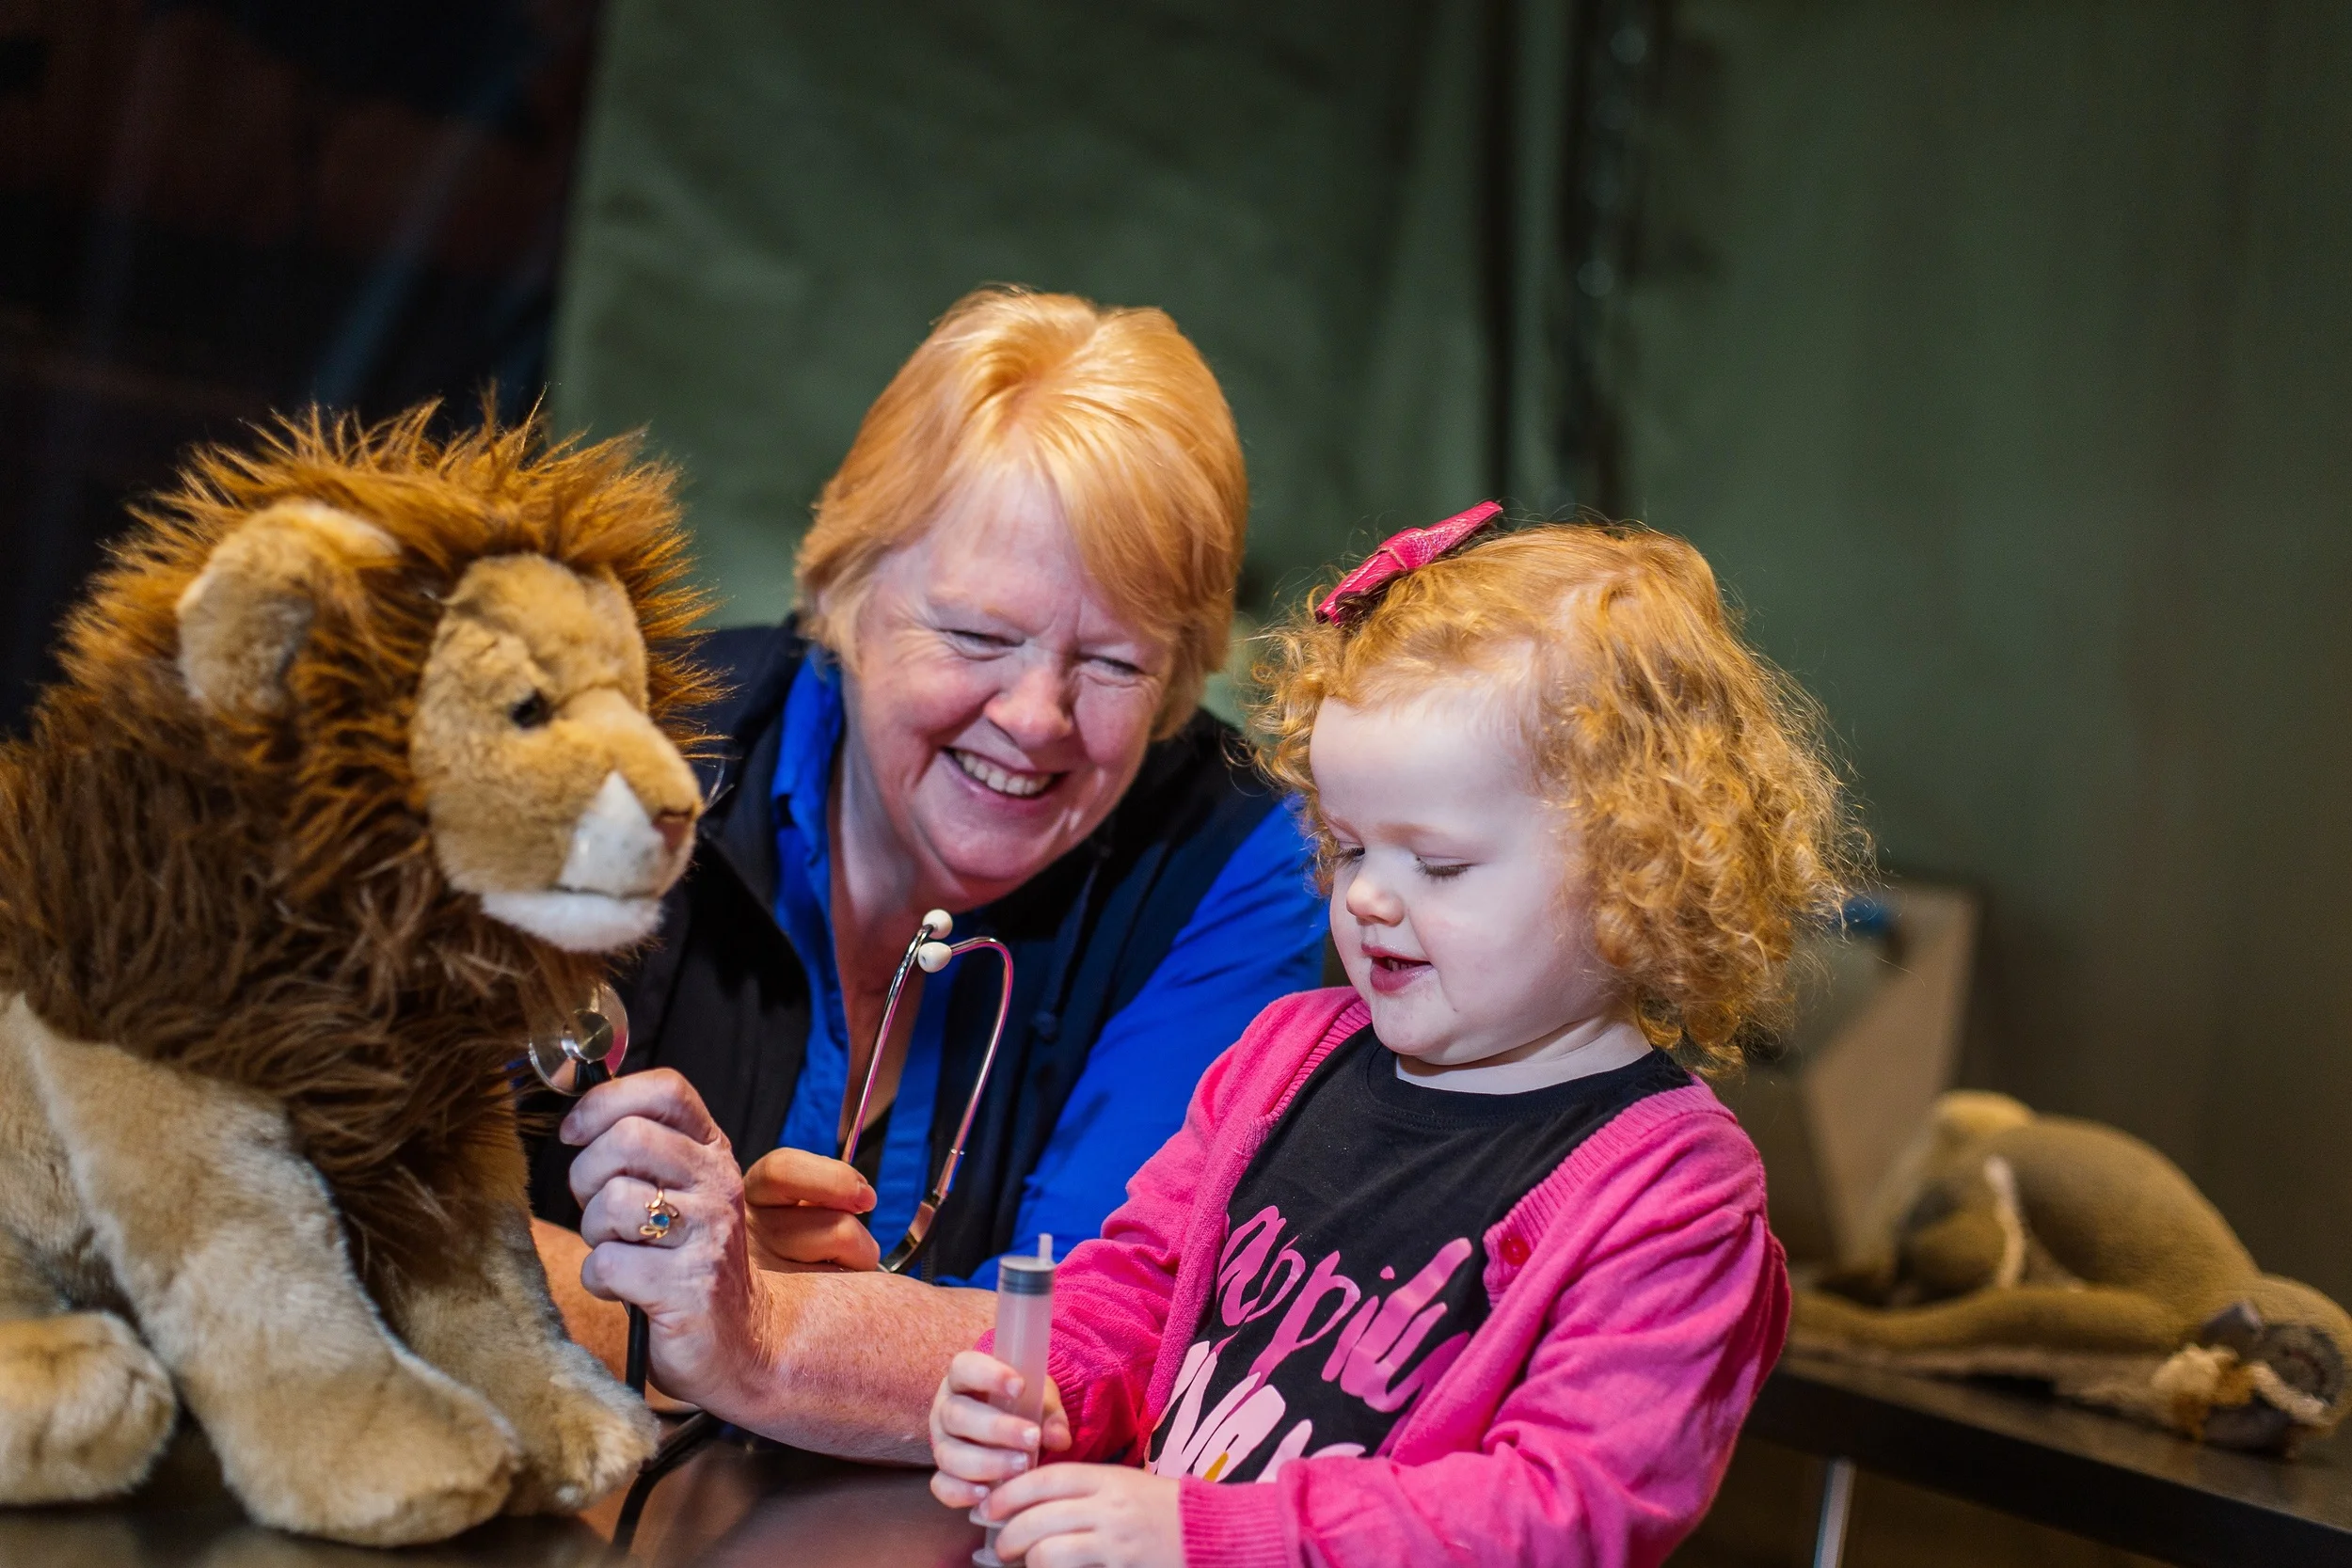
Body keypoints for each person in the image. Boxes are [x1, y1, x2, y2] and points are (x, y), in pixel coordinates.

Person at [927, 507, 1855, 1566]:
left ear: (1636, 872)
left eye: (1440, 863)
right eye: (1349, 842)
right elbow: (1142, 1280)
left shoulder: (1671, 1194)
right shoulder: (1283, 1058)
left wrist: (1214, 1537)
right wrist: (1053, 1388)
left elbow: (1563, 1511)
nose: (1365, 896)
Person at [533, 288, 1326, 1455]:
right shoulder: (624, 752)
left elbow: (1096, 1357)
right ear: (847, 593)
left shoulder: (1237, 866)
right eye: (977, 636)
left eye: (1112, 661)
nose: (1035, 716)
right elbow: (405, 1224)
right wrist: (791, 1342)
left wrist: (756, 1330)